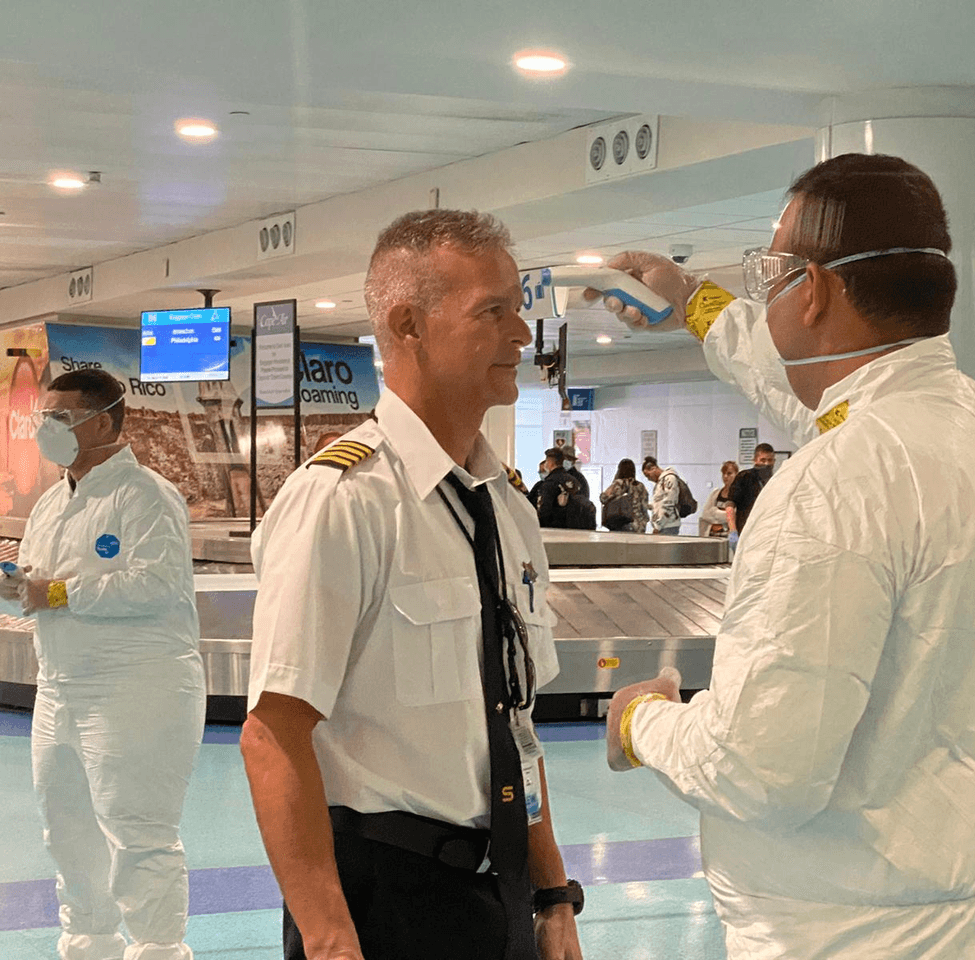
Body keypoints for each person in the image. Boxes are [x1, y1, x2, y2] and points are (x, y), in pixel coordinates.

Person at [595, 154, 975, 959]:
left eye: (773, 272)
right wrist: (689, 299)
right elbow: (810, 390)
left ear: (813, 291)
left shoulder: (834, 485)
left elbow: (759, 769)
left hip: (866, 934)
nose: (767, 292)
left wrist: (643, 721)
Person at [240, 209, 582, 960]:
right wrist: (331, 940)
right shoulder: (342, 501)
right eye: (492, 311)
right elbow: (273, 734)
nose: (522, 334)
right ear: (408, 326)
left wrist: (553, 894)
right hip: (382, 905)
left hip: (500, 896)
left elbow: (515, 728)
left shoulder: (504, 509)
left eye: (517, 309)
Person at [0, 368, 204, 960]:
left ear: (106, 422)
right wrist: (18, 588)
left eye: (61, 419)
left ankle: (158, 948)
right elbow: (37, 585)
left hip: (136, 689)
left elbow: (158, 583)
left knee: (139, 833)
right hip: (60, 688)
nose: (48, 431)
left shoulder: (145, 496)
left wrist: (58, 593)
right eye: (46, 418)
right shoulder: (50, 505)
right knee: (67, 832)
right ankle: (88, 942)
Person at [725, 443, 775, 546]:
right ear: (755, 460)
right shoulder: (744, 477)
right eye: (763, 460)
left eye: (770, 460)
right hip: (745, 531)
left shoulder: (776, 480)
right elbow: (730, 505)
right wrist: (733, 530)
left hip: (768, 533)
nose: (766, 464)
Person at [535, 447, 595, 529]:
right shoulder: (575, 479)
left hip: (560, 526)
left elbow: (545, 510)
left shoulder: (575, 478)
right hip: (576, 526)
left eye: (569, 459)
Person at [599, 458, 650, 533]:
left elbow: (603, 498)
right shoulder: (641, 486)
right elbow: (645, 507)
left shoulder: (619, 484)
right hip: (639, 526)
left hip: (621, 523)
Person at [641, 456, 682, 535]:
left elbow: (668, 505)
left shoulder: (669, 478)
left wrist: (658, 527)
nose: (648, 479)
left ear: (653, 468)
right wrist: (647, 505)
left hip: (668, 526)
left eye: (648, 475)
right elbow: (660, 504)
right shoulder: (660, 482)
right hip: (664, 525)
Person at [698, 460, 738, 538]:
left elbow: (736, 516)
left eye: (729, 473)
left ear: (736, 474)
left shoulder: (740, 495)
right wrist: (726, 515)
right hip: (713, 537)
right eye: (724, 474)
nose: (725, 476)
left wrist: (715, 512)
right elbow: (706, 515)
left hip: (730, 537)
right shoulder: (715, 493)